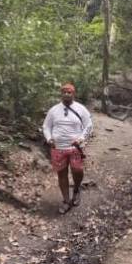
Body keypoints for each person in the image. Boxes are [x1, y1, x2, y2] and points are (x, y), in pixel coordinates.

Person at [43, 83, 93, 214]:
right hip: (58, 147)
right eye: (64, 92)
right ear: (61, 94)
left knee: (77, 170)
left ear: (73, 94)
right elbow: (46, 126)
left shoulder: (81, 109)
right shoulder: (53, 110)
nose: (66, 94)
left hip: (75, 147)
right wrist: (49, 138)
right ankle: (66, 200)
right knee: (62, 173)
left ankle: (76, 189)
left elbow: (89, 125)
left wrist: (81, 138)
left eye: (69, 92)